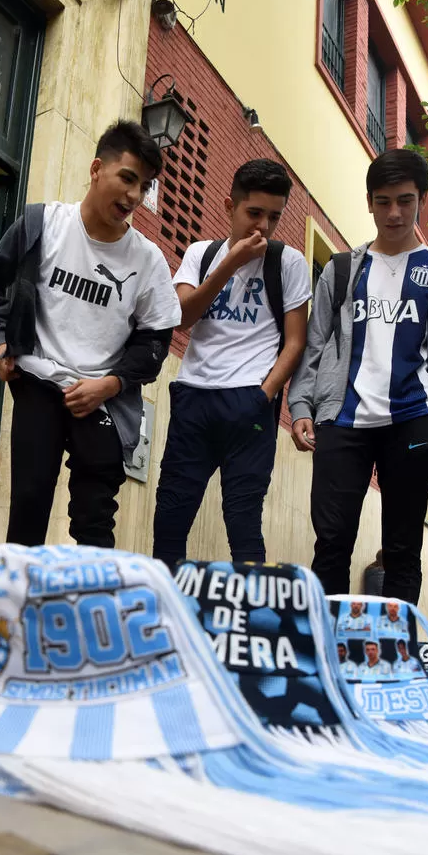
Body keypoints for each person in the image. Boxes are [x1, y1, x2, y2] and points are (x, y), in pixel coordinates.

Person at [0, 120, 180, 549]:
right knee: (29, 503)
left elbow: (156, 342)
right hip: (38, 380)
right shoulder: (41, 224)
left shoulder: (149, 261)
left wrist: (110, 384)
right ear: (95, 169)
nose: (133, 196)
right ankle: (17, 614)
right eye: (127, 178)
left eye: (143, 187)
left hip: (102, 395)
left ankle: (90, 612)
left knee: (94, 518)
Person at [289, 148, 428, 605]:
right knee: (331, 544)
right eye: (383, 200)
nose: (394, 212)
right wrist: (302, 406)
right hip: (343, 422)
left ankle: (399, 655)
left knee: (403, 549)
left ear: (422, 201)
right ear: (369, 202)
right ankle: (324, 654)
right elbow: (316, 343)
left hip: (413, 421)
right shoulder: (344, 268)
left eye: (405, 200)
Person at [152, 159, 310, 571]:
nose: (262, 227)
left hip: (250, 402)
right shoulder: (200, 254)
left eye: (273, 217)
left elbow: (295, 342)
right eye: (253, 213)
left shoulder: (288, 262)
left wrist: (264, 395)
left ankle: (250, 620)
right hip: (194, 397)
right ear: (229, 206)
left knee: (243, 520)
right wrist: (230, 264)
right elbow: (182, 317)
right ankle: (167, 616)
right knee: (171, 513)